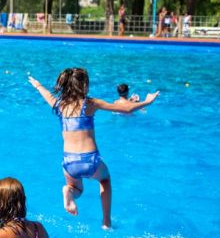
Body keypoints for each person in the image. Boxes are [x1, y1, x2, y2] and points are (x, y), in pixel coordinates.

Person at [28, 68, 159, 228]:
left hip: (69, 162)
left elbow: (48, 95)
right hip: (90, 159)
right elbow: (126, 108)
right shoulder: (90, 103)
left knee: (76, 189)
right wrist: (147, 101)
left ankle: (68, 192)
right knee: (105, 180)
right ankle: (106, 222)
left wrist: (38, 85)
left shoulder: (60, 106)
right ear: (84, 86)